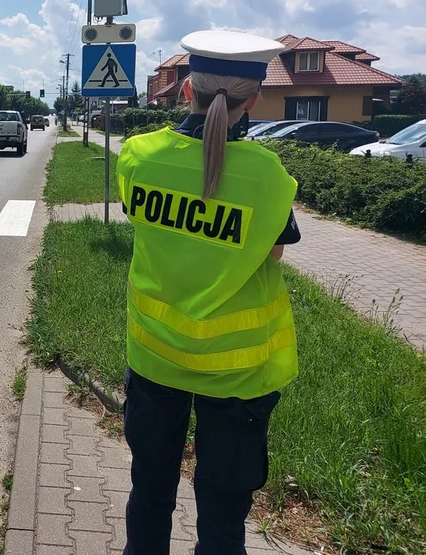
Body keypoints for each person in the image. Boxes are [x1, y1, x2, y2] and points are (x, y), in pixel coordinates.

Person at [116, 30, 302, 555]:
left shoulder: (138, 156)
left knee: (149, 492)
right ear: (255, 99)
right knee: (222, 515)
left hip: (155, 357)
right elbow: (275, 253)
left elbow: (143, 222)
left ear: (183, 89)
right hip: (238, 374)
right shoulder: (268, 176)